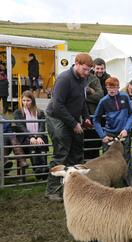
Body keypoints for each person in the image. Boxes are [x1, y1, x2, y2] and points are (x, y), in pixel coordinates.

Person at [45, 53, 93, 201]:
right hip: (57, 118)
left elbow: (82, 101)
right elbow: (57, 105)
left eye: (88, 70)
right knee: (62, 152)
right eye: (85, 69)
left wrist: (86, 118)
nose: (87, 73)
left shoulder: (82, 80)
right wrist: (74, 124)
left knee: (77, 152)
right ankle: (52, 190)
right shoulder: (64, 79)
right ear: (76, 64)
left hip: (72, 118)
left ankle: (73, 187)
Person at [93, 77, 132, 186]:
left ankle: (129, 184)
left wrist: (126, 129)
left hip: (123, 133)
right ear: (106, 87)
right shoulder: (104, 101)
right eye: (109, 87)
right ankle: (107, 184)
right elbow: (96, 119)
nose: (112, 90)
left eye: (114, 87)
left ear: (118, 87)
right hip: (110, 134)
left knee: (126, 157)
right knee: (107, 159)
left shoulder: (125, 97)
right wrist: (103, 135)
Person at [13, 91, 49, 180]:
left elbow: (42, 126)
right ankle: (37, 170)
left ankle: (44, 169)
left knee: (41, 144)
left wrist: (39, 136)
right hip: (25, 137)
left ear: (32, 100)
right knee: (32, 145)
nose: (25, 103)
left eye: (28, 100)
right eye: (24, 100)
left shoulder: (40, 112)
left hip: (39, 136)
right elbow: (21, 127)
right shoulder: (18, 113)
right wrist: (32, 137)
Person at [83, 70, 104, 160]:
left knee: (94, 145)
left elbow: (99, 96)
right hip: (79, 118)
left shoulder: (94, 79)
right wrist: (91, 91)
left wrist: (85, 92)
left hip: (92, 117)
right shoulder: (73, 78)